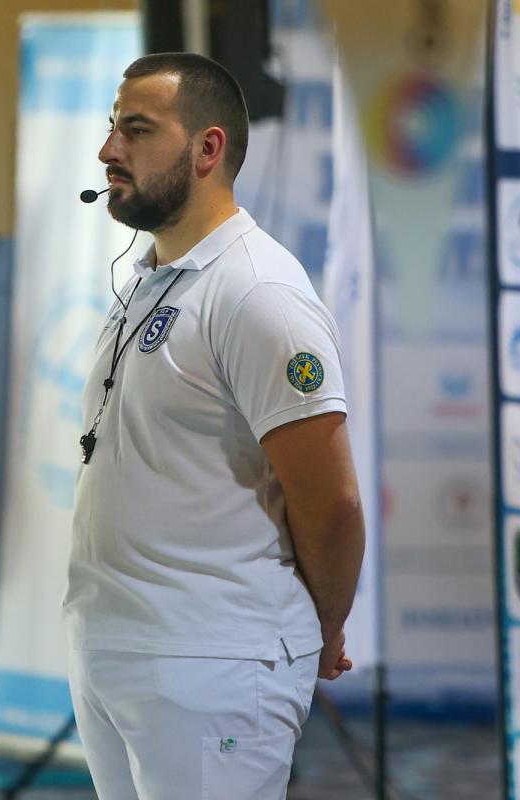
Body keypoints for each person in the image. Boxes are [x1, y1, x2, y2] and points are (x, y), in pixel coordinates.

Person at [64, 53, 365, 800]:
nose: (108, 150)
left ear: (208, 148)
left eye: (136, 130)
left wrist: (321, 628)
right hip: (118, 653)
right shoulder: (147, 281)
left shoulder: (259, 293)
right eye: (112, 128)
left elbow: (331, 503)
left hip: (214, 665)